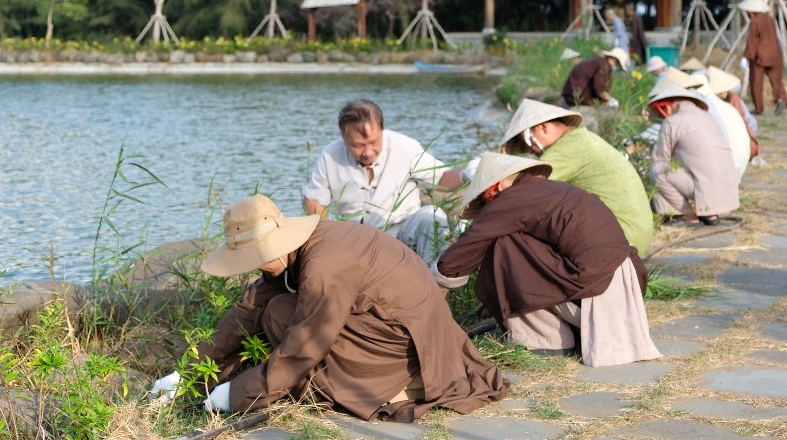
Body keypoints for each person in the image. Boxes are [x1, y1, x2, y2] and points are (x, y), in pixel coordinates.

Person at [150, 194, 509, 421]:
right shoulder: (303, 247)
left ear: (276, 244)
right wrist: (188, 372)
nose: (253, 267)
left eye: (255, 258)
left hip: (411, 349)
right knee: (272, 305)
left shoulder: (325, 266)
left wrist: (239, 393)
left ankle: (389, 385)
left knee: (280, 314)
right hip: (402, 329)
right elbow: (248, 308)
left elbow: (306, 343)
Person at [436, 152, 661, 365]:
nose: (487, 206)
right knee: (511, 239)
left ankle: (543, 338)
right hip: (622, 293)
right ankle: (558, 333)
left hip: (596, 295)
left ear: (498, 185)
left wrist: (433, 295)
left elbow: (462, 252)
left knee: (501, 243)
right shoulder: (549, 190)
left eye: (485, 200)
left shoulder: (511, 198)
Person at [302, 99, 463, 263]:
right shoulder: (330, 156)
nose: (368, 152)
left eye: (374, 142)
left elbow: (443, 179)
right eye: (358, 146)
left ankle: (434, 276)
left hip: (403, 229)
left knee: (432, 216)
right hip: (354, 238)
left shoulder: (405, 147)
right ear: (344, 138)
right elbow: (315, 201)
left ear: (382, 130)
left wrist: (468, 176)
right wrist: (330, 235)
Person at [497, 99, 654, 256]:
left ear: (542, 128)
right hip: (635, 235)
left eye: (527, 142)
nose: (530, 150)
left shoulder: (567, 149)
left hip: (625, 241)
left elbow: (521, 190)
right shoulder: (581, 139)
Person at [647, 85, 740, 226]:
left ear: (668, 107)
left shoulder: (674, 121)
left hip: (706, 187)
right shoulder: (708, 117)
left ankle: (687, 215)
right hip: (728, 188)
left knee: (657, 168)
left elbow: (660, 157)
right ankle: (710, 214)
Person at [739, 0, 787, 116]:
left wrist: (746, 57)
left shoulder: (755, 22)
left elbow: (753, 42)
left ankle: (759, 108)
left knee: (756, 82)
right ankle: (780, 99)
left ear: (752, 12)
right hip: (775, 55)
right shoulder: (770, 20)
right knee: (776, 80)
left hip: (760, 57)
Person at [706, 66, 760, 161]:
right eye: (721, 90)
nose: (724, 92)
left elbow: (750, 123)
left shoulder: (733, 99)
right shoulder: (710, 102)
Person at [561, 47, 628, 108]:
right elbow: (600, 89)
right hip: (577, 98)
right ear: (614, 59)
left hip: (569, 95)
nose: (617, 66)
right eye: (618, 64)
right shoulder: (603, 66)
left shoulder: (597, 62)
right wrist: (611, 100)